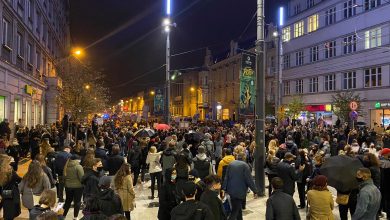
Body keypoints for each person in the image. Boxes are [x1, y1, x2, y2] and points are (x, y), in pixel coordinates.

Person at [222, 152, 257, 220]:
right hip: (240, 191)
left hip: (230, 190)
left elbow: (226, 177)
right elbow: (249, 180)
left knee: (237, 208)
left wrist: (223, 188)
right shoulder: (245, 165)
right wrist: (255, 191)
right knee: (235, 211)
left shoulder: (231, 164)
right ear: (244, 157)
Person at [0, 154, 22, 220]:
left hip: (2, 192)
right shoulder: (10, 171)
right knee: (10, 212)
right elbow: (19, 179)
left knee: (5, 207)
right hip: (10, 193)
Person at [63, 154, 85, 219]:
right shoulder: (78, 166)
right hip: (78, 187)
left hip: (68, 187)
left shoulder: (66, 166)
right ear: (77, 159)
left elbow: (64, 177)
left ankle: (63, 215)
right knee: (77, 202)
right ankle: (75, 217)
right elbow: (82, 178)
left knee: (67, 201)